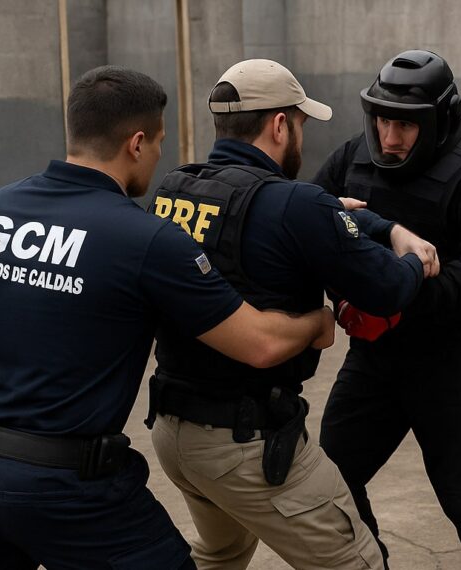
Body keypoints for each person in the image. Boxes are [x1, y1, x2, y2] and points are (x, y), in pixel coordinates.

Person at [0, 66, 334, 569]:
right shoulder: (143, 239)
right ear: (137, 143)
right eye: (159, 142)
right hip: (70, 490)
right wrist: (316, 321)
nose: (160, 155)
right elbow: (261, 345)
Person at [145, 59, 440, 570]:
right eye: (300, 123)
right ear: (280, 125)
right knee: (360, 562)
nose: (300, 136)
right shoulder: (294, 204)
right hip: (248, 442)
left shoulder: (176, 188)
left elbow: (286, 228)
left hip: (173, 433)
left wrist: (357, 221)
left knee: (220, 554)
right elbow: (388, 288)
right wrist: (417, 257)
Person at [313, 50, 461, 569]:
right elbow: (309, 221)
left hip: (453, 364)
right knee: (330, 482)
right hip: (374, 360)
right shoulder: (357, 155)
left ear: (441, 119)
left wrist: (394, 299)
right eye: (382, 120)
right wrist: (346, 294)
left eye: (405, 126)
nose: (390, 137)